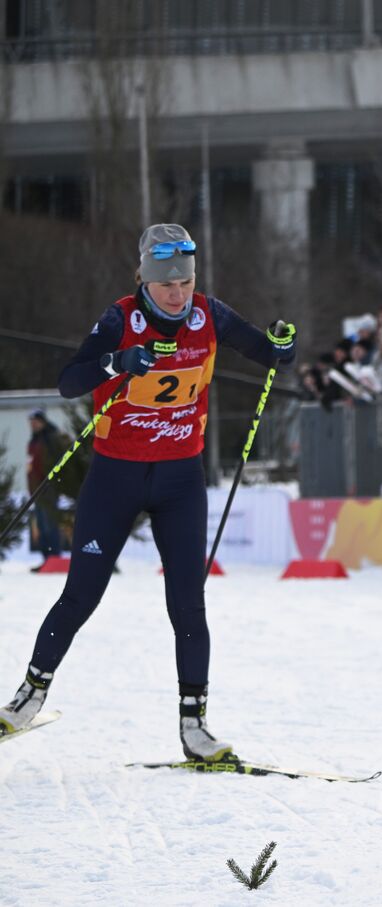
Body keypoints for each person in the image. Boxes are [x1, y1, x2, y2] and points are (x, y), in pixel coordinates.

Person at [0, 224, 296, 759]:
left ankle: (194, 726)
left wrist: (281, 345)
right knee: (81, 595)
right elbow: (70, 380)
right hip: (115, 477)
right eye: (167, 285)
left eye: (185, 281)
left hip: (181, 481)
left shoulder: (211, 313)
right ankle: (28, 696)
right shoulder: (120, 318)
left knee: (188, 604)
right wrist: (116, 361)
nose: (178, 294)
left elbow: (266, 351)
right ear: (144, 279)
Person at [25, 409, 67, 570]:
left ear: (43, 422)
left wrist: (54, 484)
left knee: (50, 525)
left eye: (35, 422)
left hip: (48, 489)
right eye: (31, 423)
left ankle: (54, 558)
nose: (33, 425)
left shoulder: (51, 438)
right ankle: (46, 560)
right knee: (41, 526)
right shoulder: (34, 440)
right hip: (36, 491)